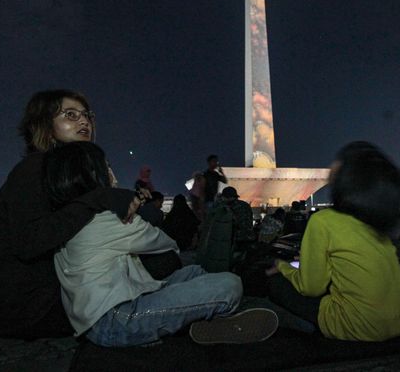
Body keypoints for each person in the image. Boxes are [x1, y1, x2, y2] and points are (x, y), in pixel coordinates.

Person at [45, 141, 278, 347]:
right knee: (229, 284)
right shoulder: (106, 219)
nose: (112, 174)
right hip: (117, 319)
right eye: (106, 167)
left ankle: (202, 319)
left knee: (194, 271)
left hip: (110, 308)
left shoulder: (69, 216)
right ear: (91, 175)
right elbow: (163, 243)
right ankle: (213, 318)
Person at [0, 89, 138, 340]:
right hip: (20, 304)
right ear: (46, 126)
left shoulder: (68, 175)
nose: (83, 121)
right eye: (70, 115)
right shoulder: (34, 168)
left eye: (86, 116)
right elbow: (29, 241)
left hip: (45, 291)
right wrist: (98, 199)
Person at [266, 141, 400, 341]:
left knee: (276, 283)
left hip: (358, 326)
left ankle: (291, 325)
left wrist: (283, 267)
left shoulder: (323, 220)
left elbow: (311, 287)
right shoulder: (376, 221)